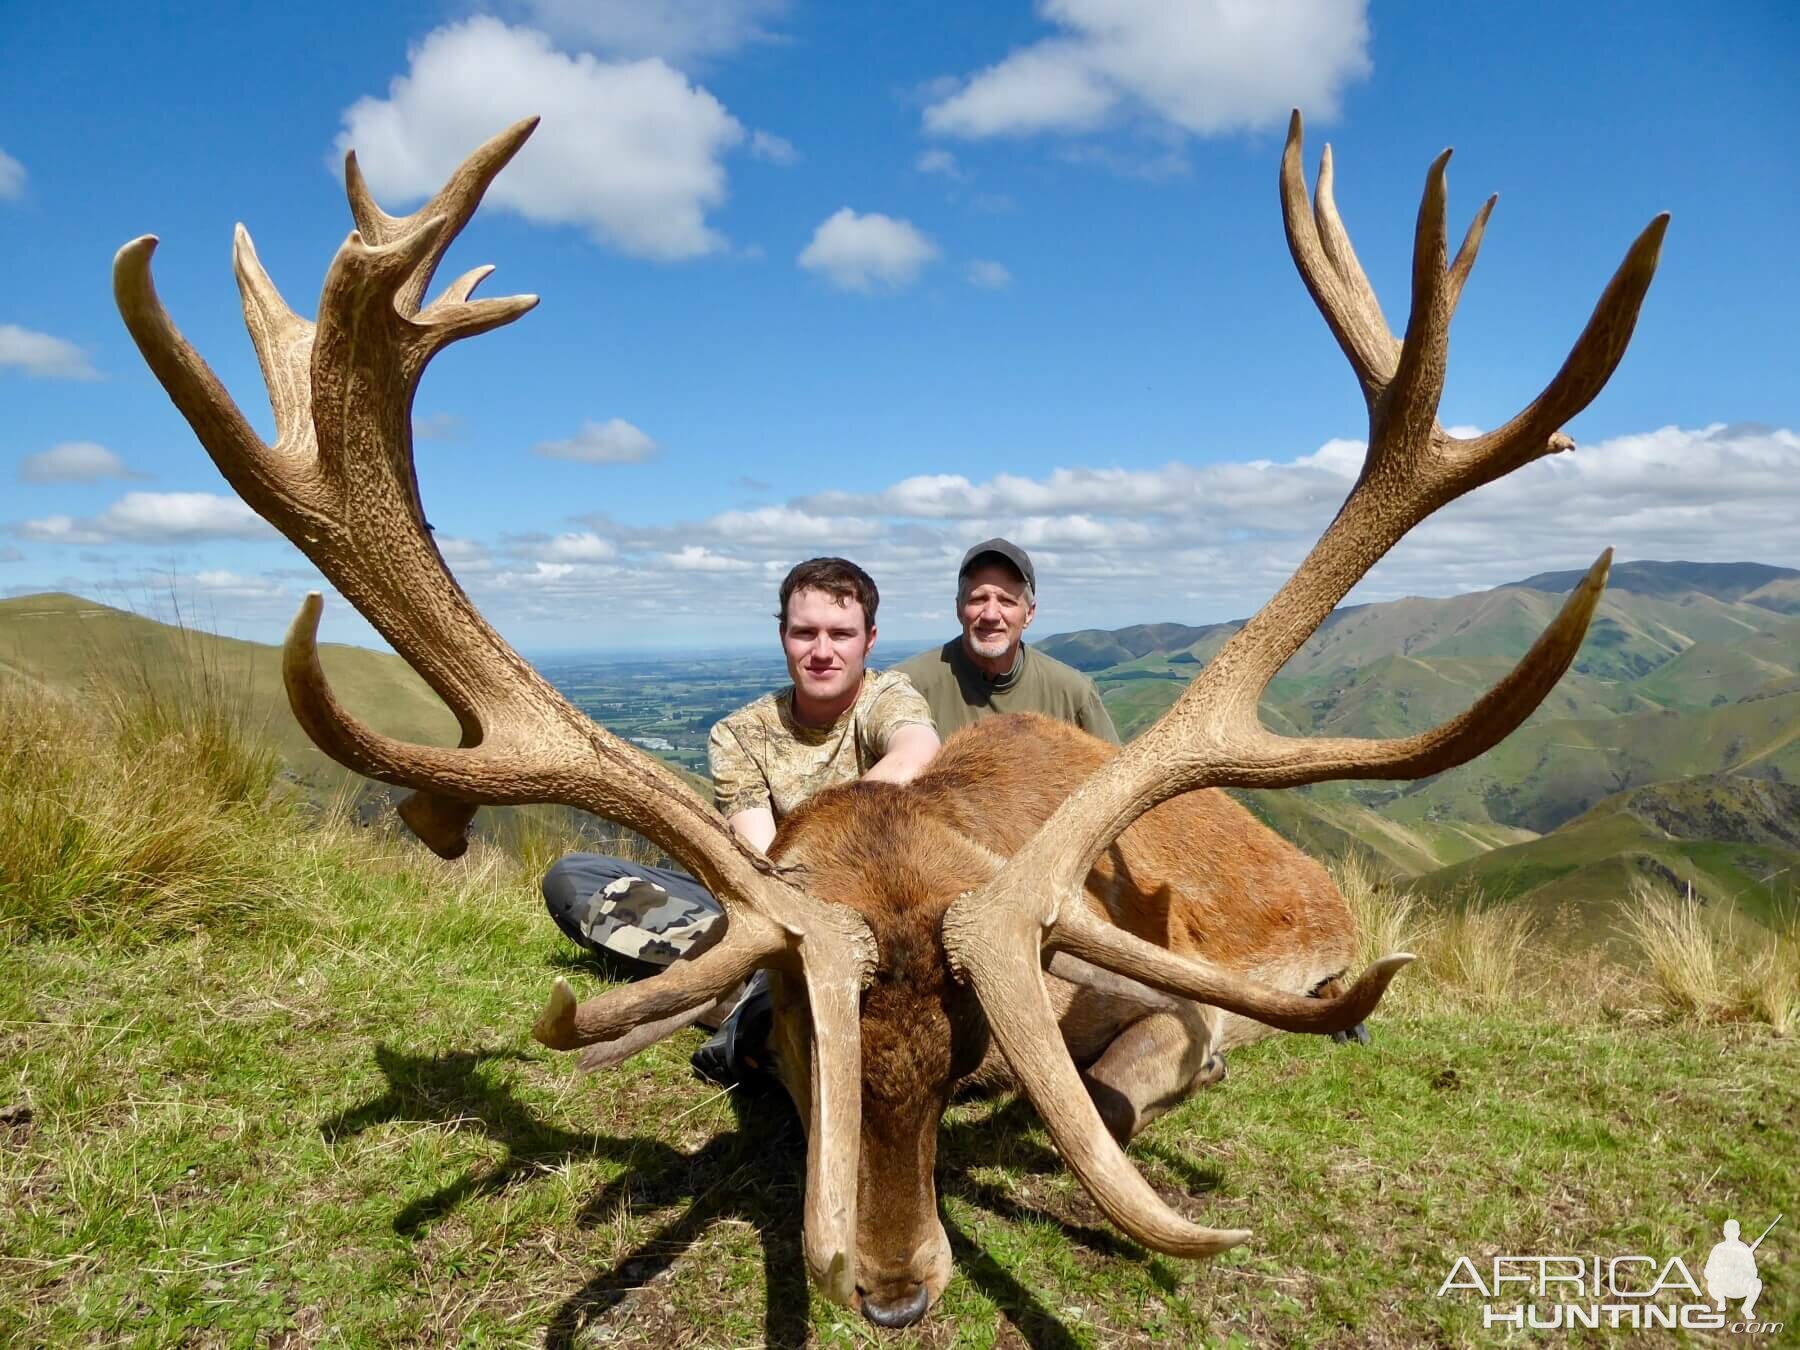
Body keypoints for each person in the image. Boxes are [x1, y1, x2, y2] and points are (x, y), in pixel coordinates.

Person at [541, 557, 939, 1082]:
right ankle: (751, 998)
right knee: (573, 878)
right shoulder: (739, 733)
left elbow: (918, 749)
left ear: (869, 640)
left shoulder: (886, 698)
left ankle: (743, 1006)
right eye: (805, 633)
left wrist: (826, 835)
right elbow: (761, 860)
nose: (822, 651)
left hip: (870, 917)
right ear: (783, 637)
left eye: (841, 634)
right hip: (769, 901)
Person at [896, 537, 1119, 745]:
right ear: (959, 609)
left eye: (1007, 601)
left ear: (1029, 614)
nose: (991, 614)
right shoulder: (907, 687)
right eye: (978, 599)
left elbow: (1118, 776)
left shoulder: (1073, 695)